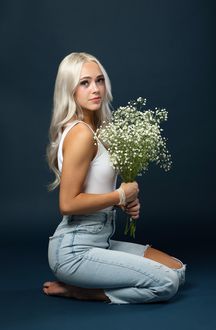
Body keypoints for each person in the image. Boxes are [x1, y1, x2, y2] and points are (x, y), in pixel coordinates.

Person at [43, 52, 186, 304]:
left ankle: (85, 284)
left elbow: (93, 190)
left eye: (99, 80)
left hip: (101, 240)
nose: (95, 89)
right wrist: (120, 194)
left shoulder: (96, 130)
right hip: (75, 248)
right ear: (70, 89)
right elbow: (67, 204)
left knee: (177, 269)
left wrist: (120, 203)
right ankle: (80, 292)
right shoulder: (81, 134)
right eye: (84, 83)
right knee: (167, 282)